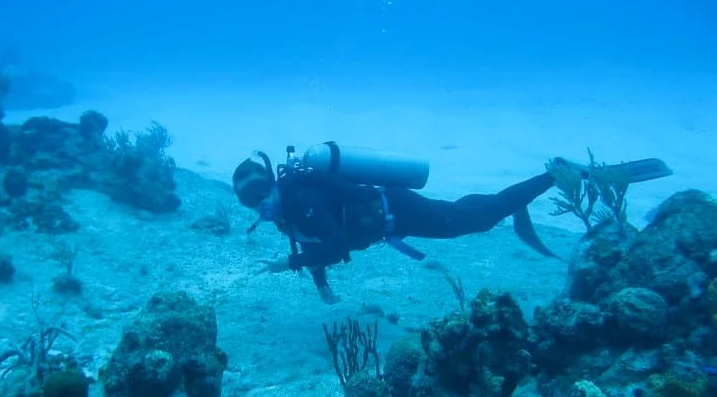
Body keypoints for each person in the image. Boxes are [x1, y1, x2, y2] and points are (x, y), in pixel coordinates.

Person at [232, 142, 671, 304]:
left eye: (258, 193)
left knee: (474, 221)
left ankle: (553, 174)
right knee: (467, 213)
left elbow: (334, 246)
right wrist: (322, 286)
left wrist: (287, 267)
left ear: (271, 182)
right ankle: (520, 191)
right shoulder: (287, 211)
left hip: (396, 210)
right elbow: (315, 240)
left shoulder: (302, 199)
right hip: (389, 216)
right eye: (247, 200)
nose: (257, 205)